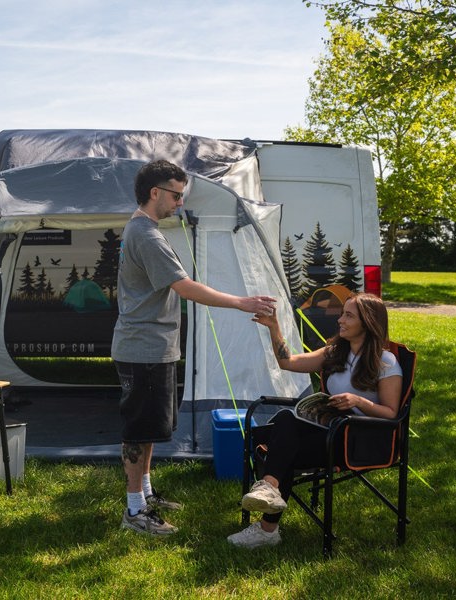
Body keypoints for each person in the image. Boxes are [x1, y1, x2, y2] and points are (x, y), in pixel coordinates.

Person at [112, 159, 278, 536]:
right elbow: (185, 287)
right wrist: (242, 302)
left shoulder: (144, 229)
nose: (179, 203)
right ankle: (135, 510)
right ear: (155, 193)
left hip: (155, 347)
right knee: (138, 431)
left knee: (150, 428)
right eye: (175, 195)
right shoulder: (146, 235)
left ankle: (147, 495)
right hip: (143, 350)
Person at [227, 292, 402, 549]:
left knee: (280, 447)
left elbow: (391, 413)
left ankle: (268, 522)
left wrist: (358, 402)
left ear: (368, 322)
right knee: (283, 425)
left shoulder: (385, 362)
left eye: (348, 315)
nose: (340, 320)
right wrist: (274, 328)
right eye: (342, 313)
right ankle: (269, 495)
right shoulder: (335, 352)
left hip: (360, 441)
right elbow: (287, 362)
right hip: (330, 433)